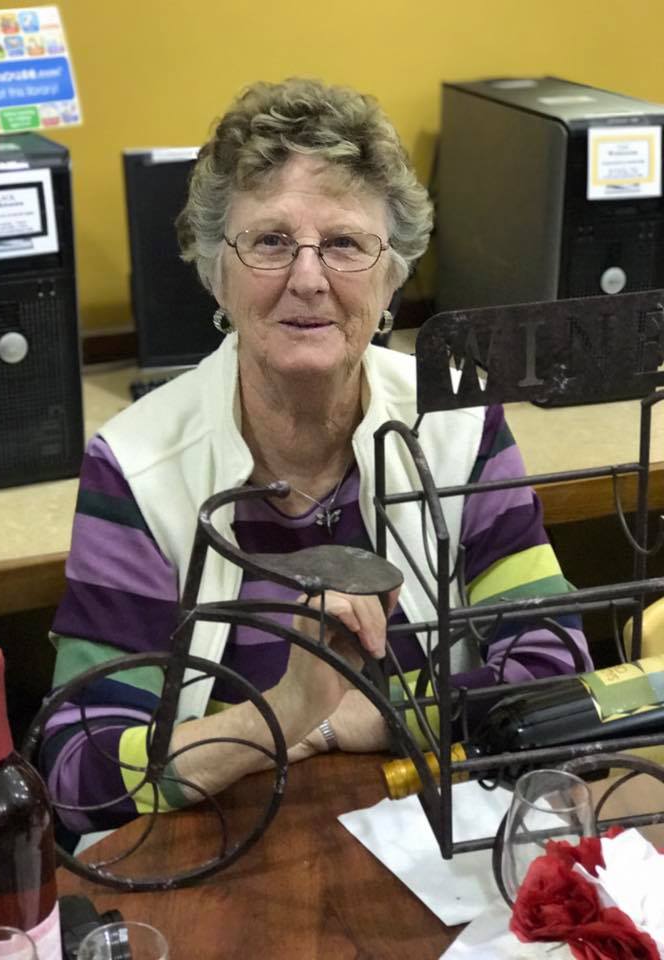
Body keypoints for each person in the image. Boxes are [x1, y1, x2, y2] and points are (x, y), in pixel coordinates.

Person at [41, 77, 591, 839]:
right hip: (223, 850)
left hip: (436, 838)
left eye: (344, 244)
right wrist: (284, 715)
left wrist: (359, 719)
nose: (308, 278)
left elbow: (556, 666)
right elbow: (77, 768)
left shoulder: (457, 425)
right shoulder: (137, 467)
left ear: (393, 275)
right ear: (216, 272)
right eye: (270, 241)